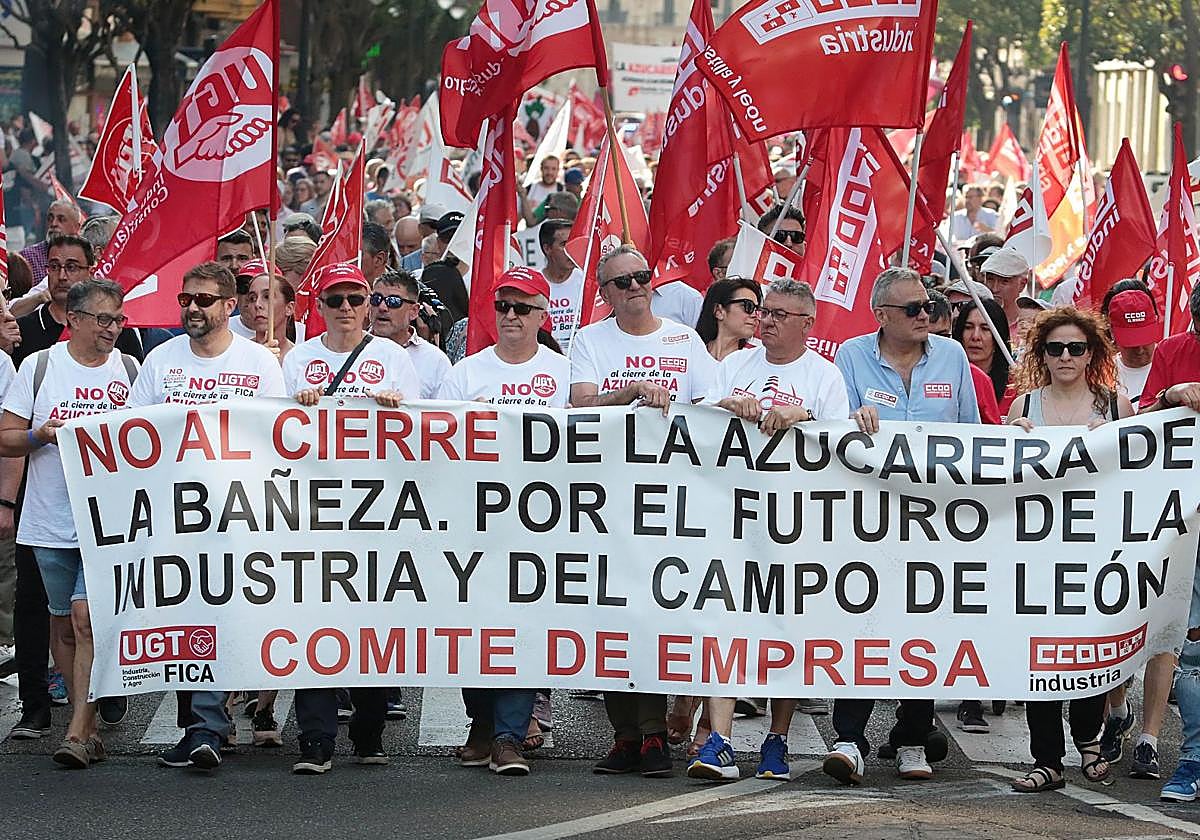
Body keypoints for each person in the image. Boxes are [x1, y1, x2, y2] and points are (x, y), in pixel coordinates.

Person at [688, 278, 849, 783]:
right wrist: (727, 408)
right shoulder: (733, 366)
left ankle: (777, 739)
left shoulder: (824, 376)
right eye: (764, 311)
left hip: (794, 524)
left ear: (807, 323)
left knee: (785, 633)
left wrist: (800, 415)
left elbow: (838, 441)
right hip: (730, 520)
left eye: (780, 313)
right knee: (725, 626)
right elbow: (693, 421)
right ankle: (720, 740)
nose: (768, 320)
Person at [129, 262, 286, 771]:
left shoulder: (260, 363)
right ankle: (204, 726)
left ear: (228, 306)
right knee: (185, 619)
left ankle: (209, 725)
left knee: (226, 617)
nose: (192, 308)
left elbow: (281, 440)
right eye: (186, 299)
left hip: (241, 516)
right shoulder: (160, 360)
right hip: (174, 516)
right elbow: (131, 432)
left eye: (203, 300)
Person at [569, 245, 715, 778]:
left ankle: (655, 735)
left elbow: (712, 408)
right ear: (604, 294)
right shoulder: (590, 340)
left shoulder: (684, 339)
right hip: (607, 499)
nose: (634, 287)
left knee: (652, 614)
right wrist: (627, 393)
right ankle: (625, 737)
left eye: (641, 277)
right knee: (608, 615)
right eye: (621, 282)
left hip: (669, 502)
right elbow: (578, 406)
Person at [830, 267, 978, 784]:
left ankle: (913, 735)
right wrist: (853, 419)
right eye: (913, 309)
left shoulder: (953, 356)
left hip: (935, 521)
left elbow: (973, 436)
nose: (926, 316)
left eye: (929, 306)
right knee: (863, 624)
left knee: (923, 627)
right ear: (882, 316)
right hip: (868, 519)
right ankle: (849, 737)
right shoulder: (850, 356)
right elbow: (831, 428)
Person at [282, 262, 418, 774]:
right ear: (319, 307)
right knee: (313, 622)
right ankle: (315, 738)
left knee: (370, 623)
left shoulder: (391, 358)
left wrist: (398, 407)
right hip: (312, 510)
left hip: (380, 511)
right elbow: (270, 430)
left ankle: (368, 727)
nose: (345, 309)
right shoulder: (300, 358)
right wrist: (291, 405)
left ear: (368, 305)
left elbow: (430, 428)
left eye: (355, 300)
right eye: (335, 300)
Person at [0, 278, 137, 768]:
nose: (113, 329)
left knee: (86, 618)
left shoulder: (129, 369)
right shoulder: (40, 368)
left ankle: (81, 727)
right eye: (104, 319)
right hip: (50, 520)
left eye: (118, 320)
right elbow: (6, 438)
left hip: (110, 525)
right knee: (63, 621)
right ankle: (87, 718)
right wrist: (40, 434)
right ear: (74, 320)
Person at [437, 267, 569, 776]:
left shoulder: (563, 373)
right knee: (473, 628)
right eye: (503, 307)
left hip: (541, 522)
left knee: (524, 628)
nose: (510, 316)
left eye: (521, 307)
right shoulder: (464, 373)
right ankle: (483, 721)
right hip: (474, 522)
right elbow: (436, 440)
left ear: (542, 315)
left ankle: (510, 735)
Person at [1006, 307, 1134, 792]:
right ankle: (1047, 759)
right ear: (1041, 353)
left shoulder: (1116, 405)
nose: (1065, 356)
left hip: (1096, 549)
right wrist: (1008, 440)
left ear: (1091, 354)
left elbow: (1140, 471)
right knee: (1038, 655)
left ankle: (1089, 739)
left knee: (1086, 649)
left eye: (1075, 348)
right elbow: (1000, 480)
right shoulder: (1023, 408)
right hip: (1036, 551)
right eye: (1054, 348)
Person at [1142, 286, 1200, 801]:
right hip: (1190, 523)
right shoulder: (1171, 350)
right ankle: (1194, 761)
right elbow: (1141, 420)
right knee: (1193, 650)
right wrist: (1168, 396)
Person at [370, 269, 451, 399]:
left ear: (414, 311)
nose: (382, 307)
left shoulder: (435, 361)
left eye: (394, 301)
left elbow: (445, 414)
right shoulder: (349, 349)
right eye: (376, 299)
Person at [952, 298, 1013, 416]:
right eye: (968, 327)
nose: (975, 336)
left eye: (985, 329)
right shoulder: (946, 381)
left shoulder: (1015, 387)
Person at [539, 219, 584, 354]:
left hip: (581, 358)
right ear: (547, 248)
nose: (571, 250)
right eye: (564, 244)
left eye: (573, 243)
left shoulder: (587, 281)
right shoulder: (534, 284)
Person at [695, 277, 762, 360]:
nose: (755, 315)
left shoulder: (753, 364)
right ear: (718, 311)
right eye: (748, 306)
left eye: (757, 309)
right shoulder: (690, 355)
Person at [19, 199, 82, 284]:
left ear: (76, 227)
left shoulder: (84, 257)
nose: (53, 223)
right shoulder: (28, 257)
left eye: (61, 219)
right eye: (50, 219)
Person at [979, 247, 1029, 339]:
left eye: (1004, 281)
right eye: (990, 279)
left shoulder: (1030, 327)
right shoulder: (976, 321)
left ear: (1022, 284)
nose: (994, 288)